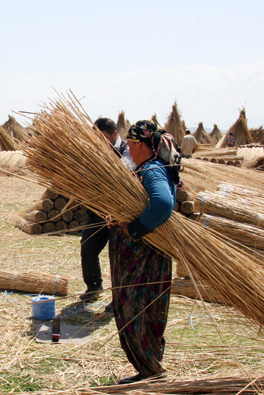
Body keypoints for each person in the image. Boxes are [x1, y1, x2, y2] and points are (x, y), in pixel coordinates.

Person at [108, 120, 177, 384]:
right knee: (145, 311)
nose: (128, 149)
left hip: (143, 260)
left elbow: (162, 204)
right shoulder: (151, 167)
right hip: (144, 259)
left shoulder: (152, 170)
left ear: (138, 144)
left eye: (130, 143)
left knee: (135, 310)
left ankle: (150, 370)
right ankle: (150, 369)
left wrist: (134, 229)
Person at [80, 117, 135, 310]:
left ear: (115, 135)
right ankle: (93, 287)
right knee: (88, 247)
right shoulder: (95, 151)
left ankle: (118, 297)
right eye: (97, 138)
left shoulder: (128, 150)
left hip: (119, 215)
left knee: (117, 255)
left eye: (104, 138)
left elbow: (125, 169)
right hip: (98, 213)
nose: (101, 142)